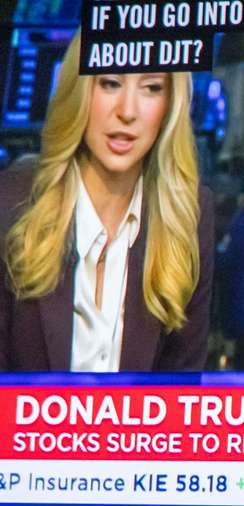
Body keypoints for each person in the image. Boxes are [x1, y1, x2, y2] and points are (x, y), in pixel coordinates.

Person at [0, 34, 213, 372]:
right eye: (110, 83)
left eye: (151, 88)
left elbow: (180, 395)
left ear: (170, 104)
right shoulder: (11, 203)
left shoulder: (188, 215)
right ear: (80, 91)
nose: (127, 112)